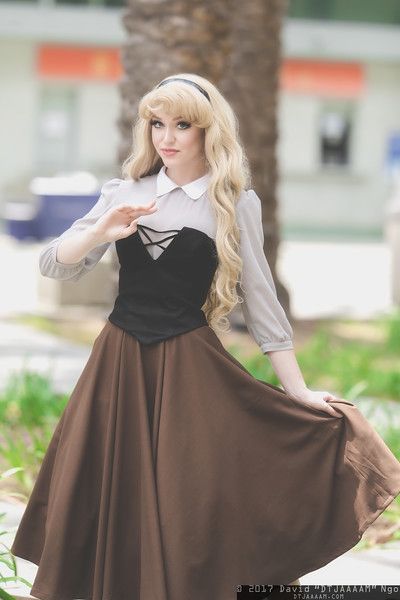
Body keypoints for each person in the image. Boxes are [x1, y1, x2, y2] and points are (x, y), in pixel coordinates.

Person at [11, 73, 400, 600]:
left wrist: (298, 390)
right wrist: (103, 231)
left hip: (188, 366)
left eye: (182, 125)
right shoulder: (125, 192)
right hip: (117, 364)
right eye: (156, 124)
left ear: (207, 132)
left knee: (187, 499)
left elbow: (263, 305)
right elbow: (54, 266)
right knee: (111, 495)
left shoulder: (234, 204)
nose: (166, 137)